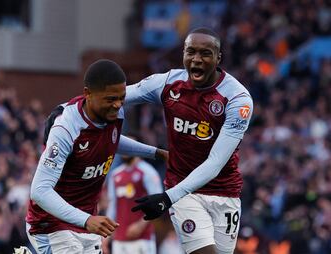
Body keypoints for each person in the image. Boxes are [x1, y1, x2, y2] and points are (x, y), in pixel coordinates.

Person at [128, 27, 254, 254]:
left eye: (205, 53)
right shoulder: (167, 83)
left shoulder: (237, 98)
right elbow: (117, 96)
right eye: (190, 52)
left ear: (218, 58)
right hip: (184, 191)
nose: (196, 59)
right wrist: (70, 108)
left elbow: (215, 163)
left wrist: (166, 198)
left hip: (225, 193)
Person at [25, 59, 167, 254]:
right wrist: (87, 220)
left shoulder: (112, 109)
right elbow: (39, 191)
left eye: (121, 98)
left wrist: (156, 153)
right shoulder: (66, 128)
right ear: (87, 94)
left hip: (87, 222)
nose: (117, 105)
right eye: (111, 99)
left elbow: (113, 139)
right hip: (52, 225)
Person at [104, 139, 163, 254]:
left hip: (142, 238)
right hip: (119, 239)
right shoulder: (115, 175)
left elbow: (159, 203)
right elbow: (112, 206)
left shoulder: (147, 172)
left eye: (129, 147)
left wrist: (141, 224)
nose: (125, 151)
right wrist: (106, 235)